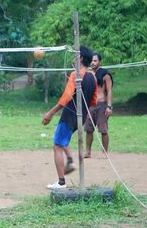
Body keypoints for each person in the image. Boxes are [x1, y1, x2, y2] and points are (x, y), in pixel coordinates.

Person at [41, 46, 98, 189]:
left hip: (69, 115)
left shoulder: (75, 75)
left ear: (81, 58)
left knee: (57, 146)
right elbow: (93, 101)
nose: (74, 59)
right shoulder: (92, 76)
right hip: (81, 117)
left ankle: (61, 182)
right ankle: (70, 160)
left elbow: (66, 97)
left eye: (76, 56)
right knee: (62, 141)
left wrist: (51, 113)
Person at [85, 53, 114, 158]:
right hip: (91, 105)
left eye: (95, 61)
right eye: (92, 61)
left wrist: (109, 106)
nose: (93, 62)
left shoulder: (105, 74)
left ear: (100, 62)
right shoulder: (88, 74)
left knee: (103, 130)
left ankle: (104, 152)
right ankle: (88, 152)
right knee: (88, 129)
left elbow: (109, 91)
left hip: (102, 104)